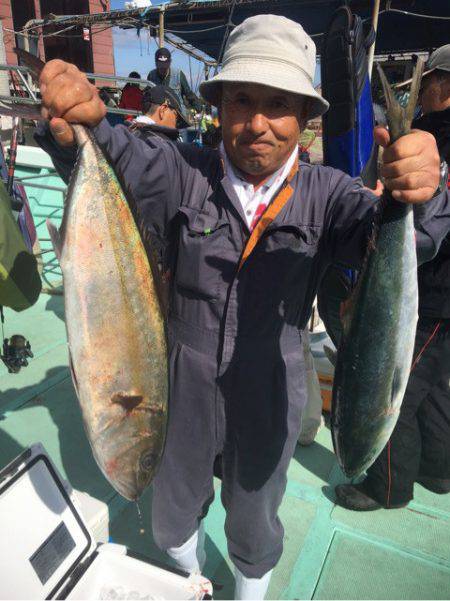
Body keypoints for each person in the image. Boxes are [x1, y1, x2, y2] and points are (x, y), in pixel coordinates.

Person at [36, 15, 449, 599]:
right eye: (241, 100)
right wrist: (86, 120)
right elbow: (120, 154)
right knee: (171, 515)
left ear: (306, 119)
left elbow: (407, 239)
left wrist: (423, 189)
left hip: (272, 385)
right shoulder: (184, 171)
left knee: (256, 522)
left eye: (278, 104)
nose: (257, 123)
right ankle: (191, 577)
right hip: (180, 381)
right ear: (220, 106)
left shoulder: (330, 194)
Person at [335, 44, 450, 512]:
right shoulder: (421, 136)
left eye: (425, 82)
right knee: (433, 388)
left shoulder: (431, 138)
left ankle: (383, 487)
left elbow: (428, 232)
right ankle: (439, 471)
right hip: (437, 290)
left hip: (429, 286)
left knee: (391, 386)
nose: (422, 91)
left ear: (441, 83)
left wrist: (386, 217)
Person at [147, 47, 202, 113]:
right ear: (156, 63)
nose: (163, 68)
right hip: (157, 114)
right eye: (160, 65)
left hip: (177, 114)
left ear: (170, 62)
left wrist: (197, 108)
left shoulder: (178, 74)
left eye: (165, 65)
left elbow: (189, 93)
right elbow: (147, 95)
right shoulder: (151, 75)